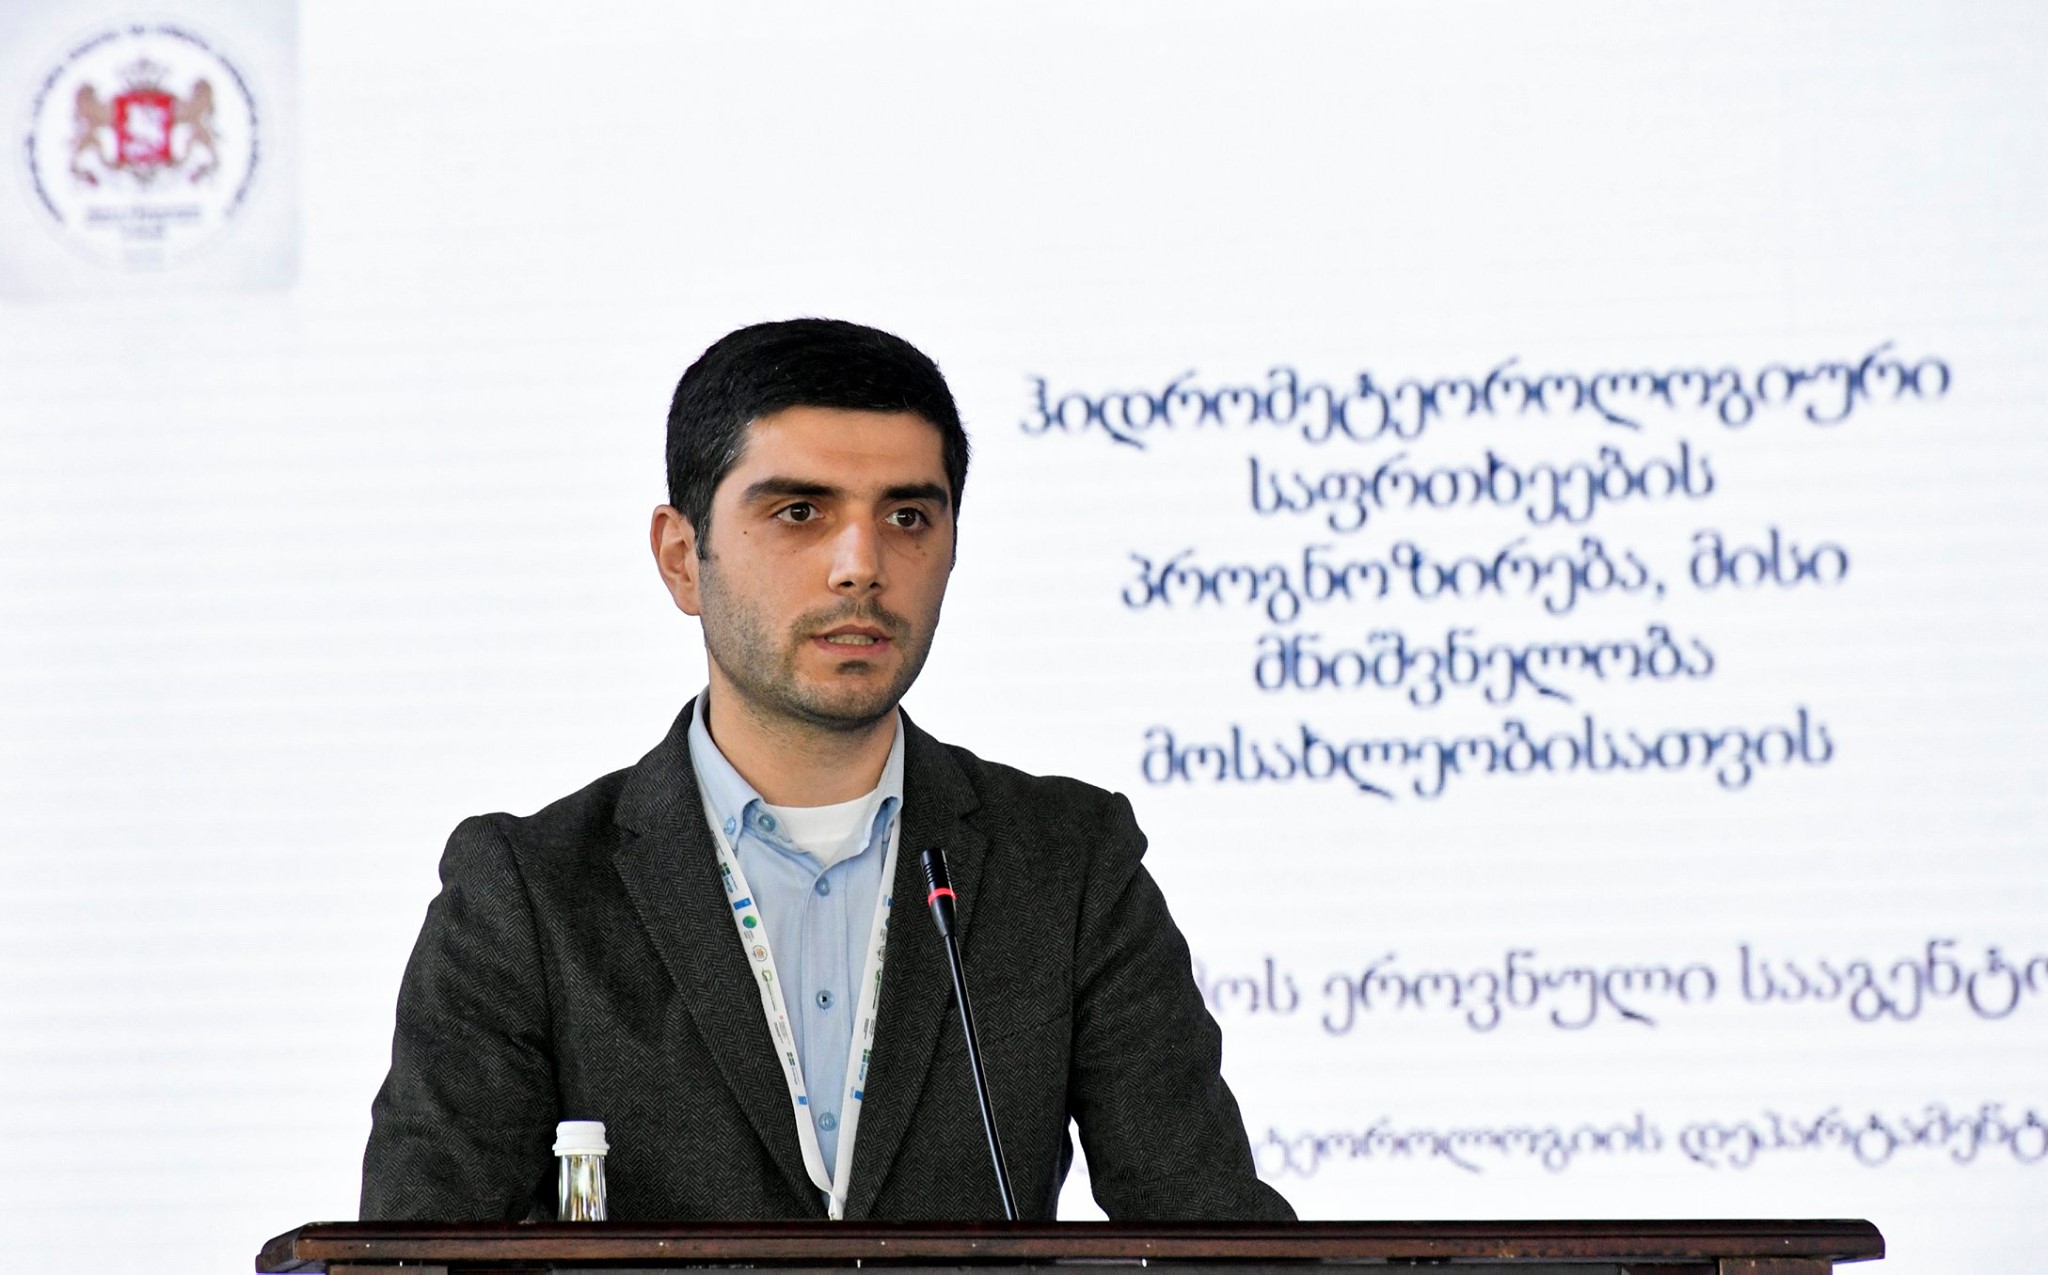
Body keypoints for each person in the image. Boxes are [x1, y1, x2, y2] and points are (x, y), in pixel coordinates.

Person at [359, 318, 1292, 1222]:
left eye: (908, 516)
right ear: (682, 559)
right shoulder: (529, 896)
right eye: (800, 512)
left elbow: (1215, 1235)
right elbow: (417, 1254)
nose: (861, 565)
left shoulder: (1067, 864)